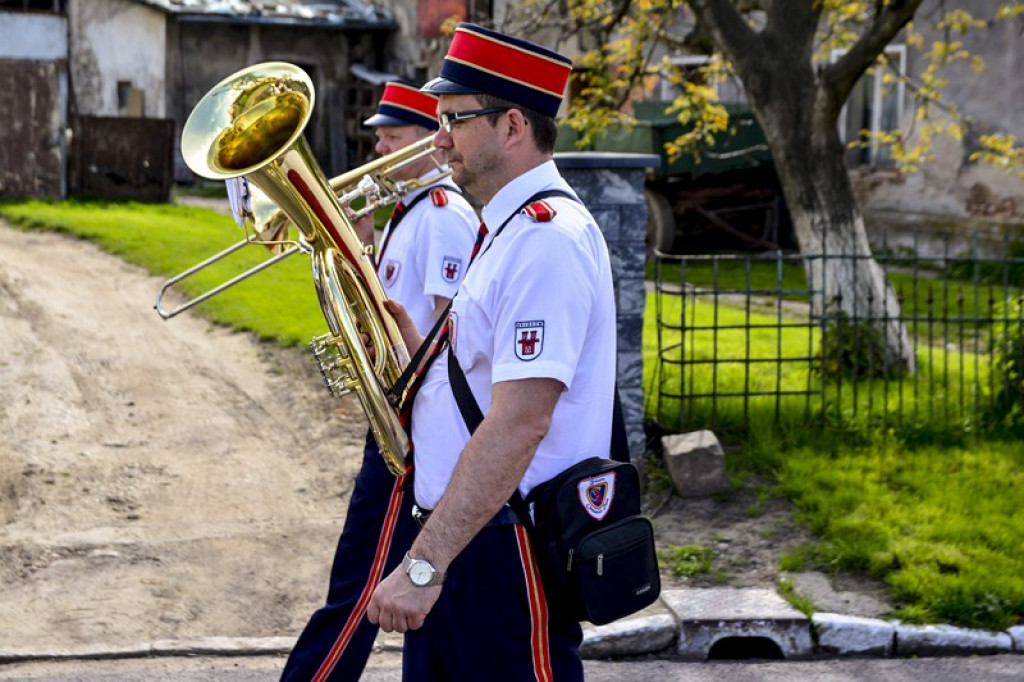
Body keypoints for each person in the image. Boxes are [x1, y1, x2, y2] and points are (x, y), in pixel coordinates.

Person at [366, 23, 617, 681]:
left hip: (506, 548)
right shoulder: (506, 227)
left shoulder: (546, 239)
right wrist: (405, 344)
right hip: (469, 538)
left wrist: (424, 566)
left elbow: (520, 421)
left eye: (454, 118)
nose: (439, 137)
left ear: (512, 126)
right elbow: (476, 381)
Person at [279, 80, 478, 682]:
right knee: (397, 589)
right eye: (379, 137)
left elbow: (448, 330)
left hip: (413, 425)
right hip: (399, 413)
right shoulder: (409, 212)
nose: (379, 149)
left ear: (425, 139)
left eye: (392, 137)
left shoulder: (442, 215)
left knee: (358, 585)